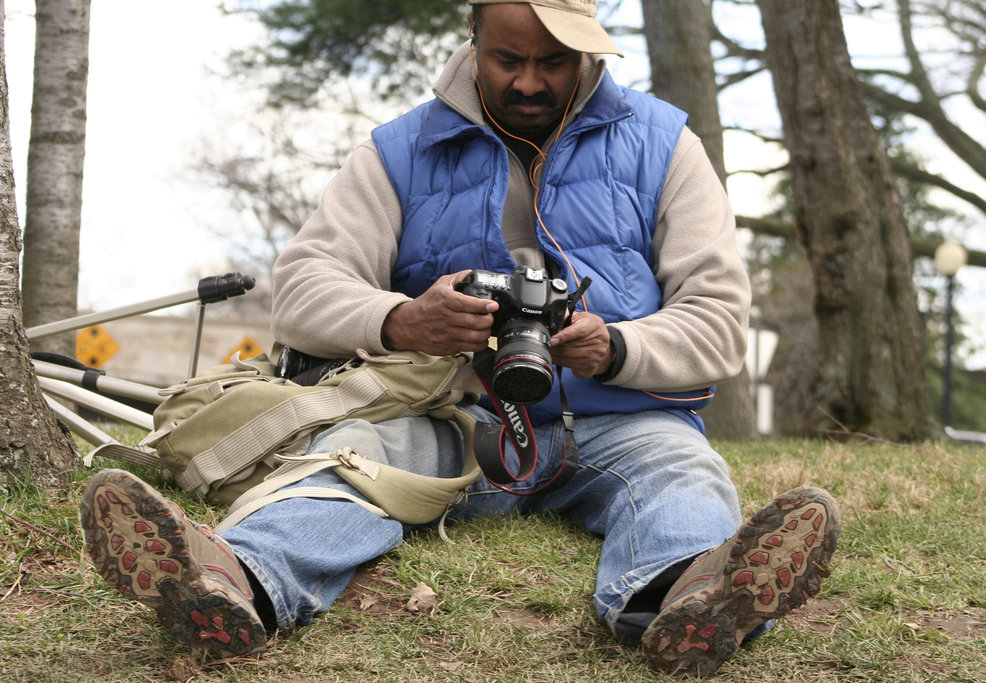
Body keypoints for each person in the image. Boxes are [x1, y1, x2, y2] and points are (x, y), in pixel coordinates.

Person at [80, 1, 840, 676]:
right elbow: (303, 289)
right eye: (509, 58)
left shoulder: (665, 145)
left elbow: (717, 320)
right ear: (472, 33)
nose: (531, 82)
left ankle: (688, 594)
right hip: (446, 417)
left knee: (683, 470)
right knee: (350, 461)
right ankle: (229, 580)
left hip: (618, 420)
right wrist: (402, 319)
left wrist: (614, 347)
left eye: (556, 61)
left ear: (591, 53)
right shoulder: (397, 150)